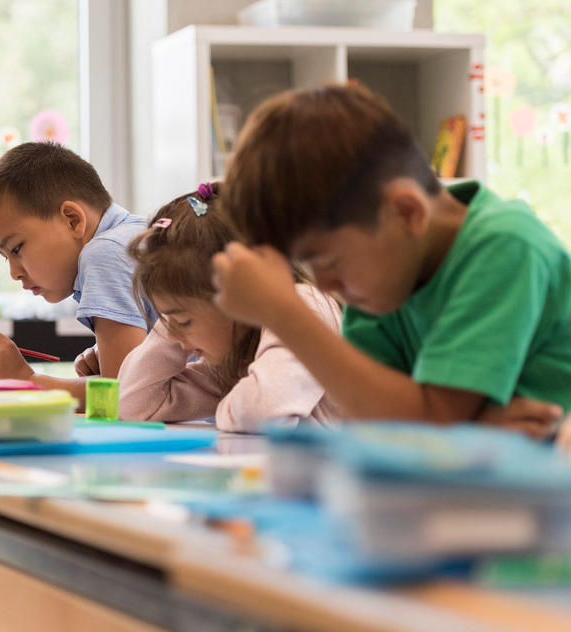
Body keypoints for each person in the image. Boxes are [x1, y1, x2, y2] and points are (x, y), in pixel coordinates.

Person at [210, 84, 569, 437]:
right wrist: (466, 430)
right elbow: (371, 425)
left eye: (330, 262)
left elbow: (428, 420)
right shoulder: (387, 280)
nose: (324, 286)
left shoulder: (503, 246)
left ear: (407, 211)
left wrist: (284, 313)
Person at [118, 182, 341, 431]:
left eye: (183, 321)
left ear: (240, 298)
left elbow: (261, 413)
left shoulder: (302, 306)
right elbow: (134, 404)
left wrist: (225, 403)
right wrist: (174, 324)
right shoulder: (235, 354)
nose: (170, 335)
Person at [0, 142, 153, 404]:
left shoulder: (104, 253)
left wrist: (26, 381)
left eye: (17, 248)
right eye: (5, 257)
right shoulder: (133, 235)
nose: (14, 273)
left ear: (72, 220)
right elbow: (135, 385)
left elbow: (125, 399)